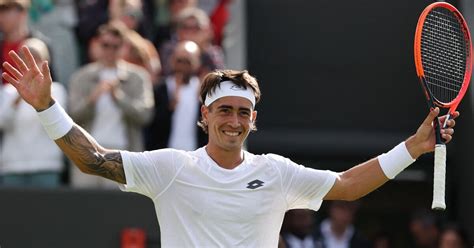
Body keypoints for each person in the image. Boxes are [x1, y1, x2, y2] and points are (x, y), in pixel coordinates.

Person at [1, 46, 459, 246]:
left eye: (243, 113)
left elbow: (345, 186)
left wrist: (415, 147)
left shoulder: (277, 172)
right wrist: (47, 108)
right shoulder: (170, 167)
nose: (233, 121)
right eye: (224, 111)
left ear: (253, 121)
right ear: (205, 117)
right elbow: (95, 161)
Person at [67, 22, 154, 188]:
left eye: (116, 46)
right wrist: (92, 99)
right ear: (97, 45)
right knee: (83, 208)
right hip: (87, 153)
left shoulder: (138, 77)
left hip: (122, 154)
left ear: (124, 47)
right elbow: (71, 115)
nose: (110, 51)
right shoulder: (81, 76)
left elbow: (145, 115)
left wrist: (119, 98)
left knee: (119, 210)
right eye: (105, 45)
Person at [0, 38, 66, 187]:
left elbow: (58, 125)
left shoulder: (57, 90)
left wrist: (41, 96)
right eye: (25, 57)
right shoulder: (7, 91)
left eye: (36, 57)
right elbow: (2, 123)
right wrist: (19, 96)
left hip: (46, 165)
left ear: (45, 61)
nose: (31, 63)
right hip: (12, 167)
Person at [144, 40, 206, 151]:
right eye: (179, 61)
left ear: (197, 63)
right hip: (165, 153)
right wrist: (170, 107)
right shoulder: (160, 89)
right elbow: (151, 124)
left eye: (187, 61)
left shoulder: (202, 90)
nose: (182, 66)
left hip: (194, 154)